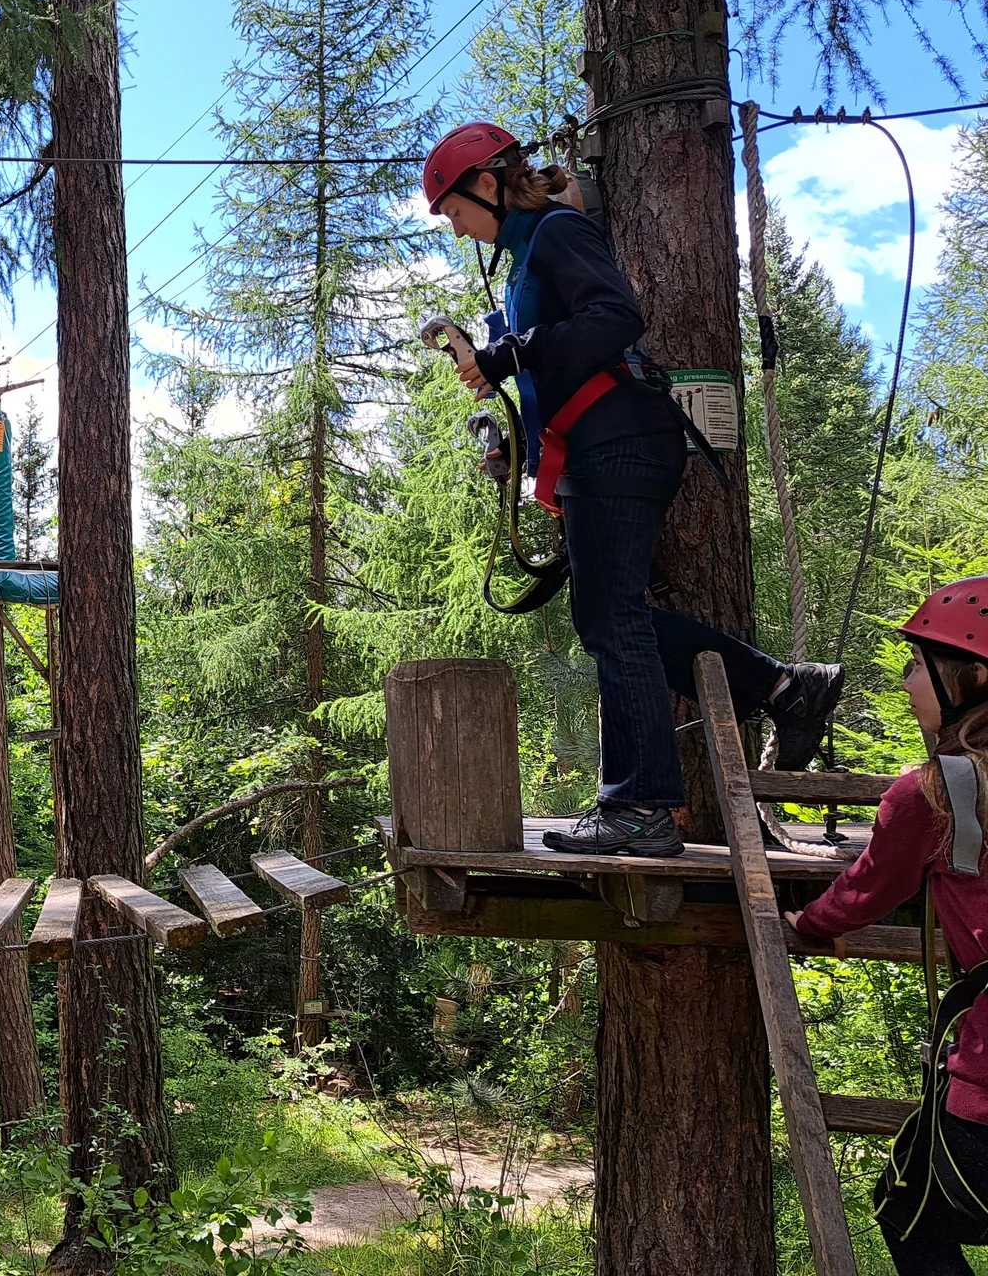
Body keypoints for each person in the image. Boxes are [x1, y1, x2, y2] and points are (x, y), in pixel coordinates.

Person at [422, 121, 843, 858]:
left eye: (455, 212)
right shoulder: (528, 255)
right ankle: (782, 688)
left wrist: (511, 352)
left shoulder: (554, 231)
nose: (458, 230)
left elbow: (617, 316)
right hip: (599, 448)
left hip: (620, 444)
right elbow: (556, 355)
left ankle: (642, 805)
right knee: (609, 622)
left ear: (486, 185)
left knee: (611, 621)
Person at [784, 577, 988, 1275]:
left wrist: (805, 920)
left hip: (987, 1096)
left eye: (918, 666)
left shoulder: (935, 794)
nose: (906, 685)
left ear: (971, 678)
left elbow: (864, 893)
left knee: (906, 1211)